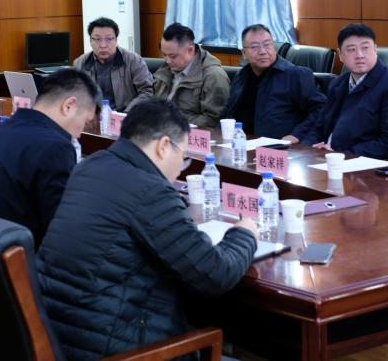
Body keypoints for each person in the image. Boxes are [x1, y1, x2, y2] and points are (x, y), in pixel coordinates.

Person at [37, 99, 257, 359]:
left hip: (61, 338)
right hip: (120, 351)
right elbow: (216, 274)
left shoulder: (90, 166)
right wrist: (244, 233)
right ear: (163, 146)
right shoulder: (150, 192)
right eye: (183, 157)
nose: (180, 170)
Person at [0, 69, 100, 247]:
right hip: (11, 255)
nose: (79, 134)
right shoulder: (56, 147)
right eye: (85, 122)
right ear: (68, 106)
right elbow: (59, 229)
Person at [304, 23, 388, 159]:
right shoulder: (338, 83)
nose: (359, 55)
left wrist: (341, 154)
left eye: (365, 48)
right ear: (341, 55)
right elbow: (319, 126)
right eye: (351, 50)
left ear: (375, 50)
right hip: (326, 157)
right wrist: (307, 149)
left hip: (358, 163)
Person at [223, 24, 325, 141]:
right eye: (254, 47)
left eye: (267, 45)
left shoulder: (295, 75)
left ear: (274, 47)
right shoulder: (241, 76)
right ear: (244, 53)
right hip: (240, 143)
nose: (262, 51)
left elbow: (321, 109)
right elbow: (228, 113)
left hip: (280, 146)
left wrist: (297, 135)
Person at [152, 23, 229, 127]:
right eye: (164, 55)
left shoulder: (214, 76)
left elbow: (213, 121)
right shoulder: (165, 69)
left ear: (190, 50)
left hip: (189, 133)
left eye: (172, 56)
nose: (167, 60)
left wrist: (173, 121)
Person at [73, 17, 152, 112]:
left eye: (109, 39)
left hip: (126, 114)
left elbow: (147, 91)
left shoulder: (134, 60)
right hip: (93, 116)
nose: (103, 45)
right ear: (90, 40)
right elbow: (74, 93)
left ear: (116, 40)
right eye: (97, 39)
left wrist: (127, 114)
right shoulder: (80, 63)